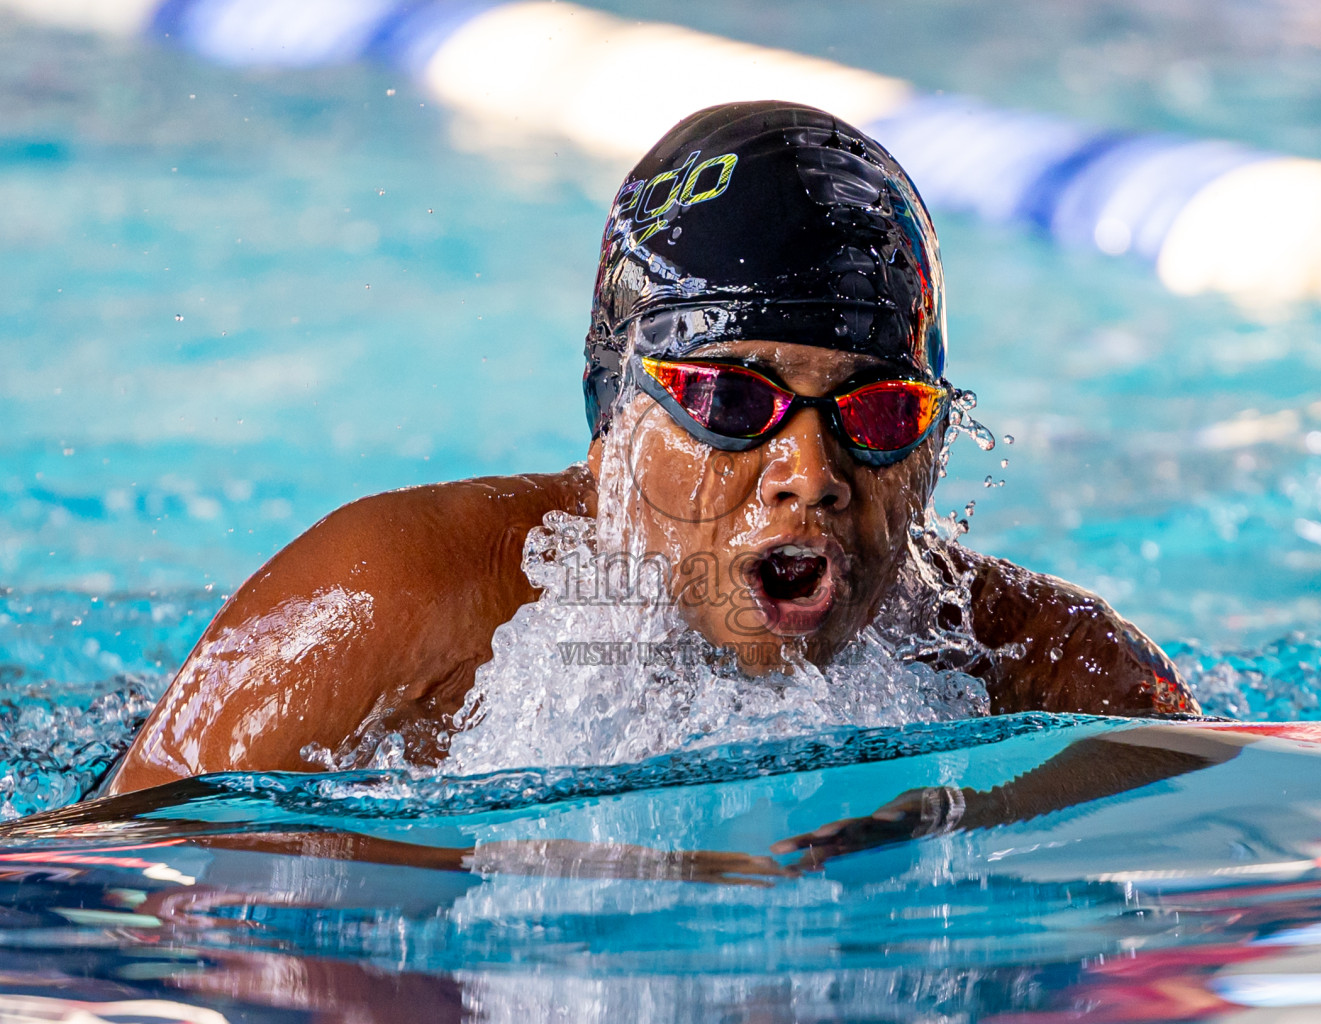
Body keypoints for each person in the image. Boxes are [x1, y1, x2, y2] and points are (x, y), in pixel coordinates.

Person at [106, 100, 1195, 798]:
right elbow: (110, 879)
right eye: (731, 398)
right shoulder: (394, 592)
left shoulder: (1043, 667)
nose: (810, 474)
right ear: (616, 419)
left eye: (873, 413)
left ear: (934, 445)